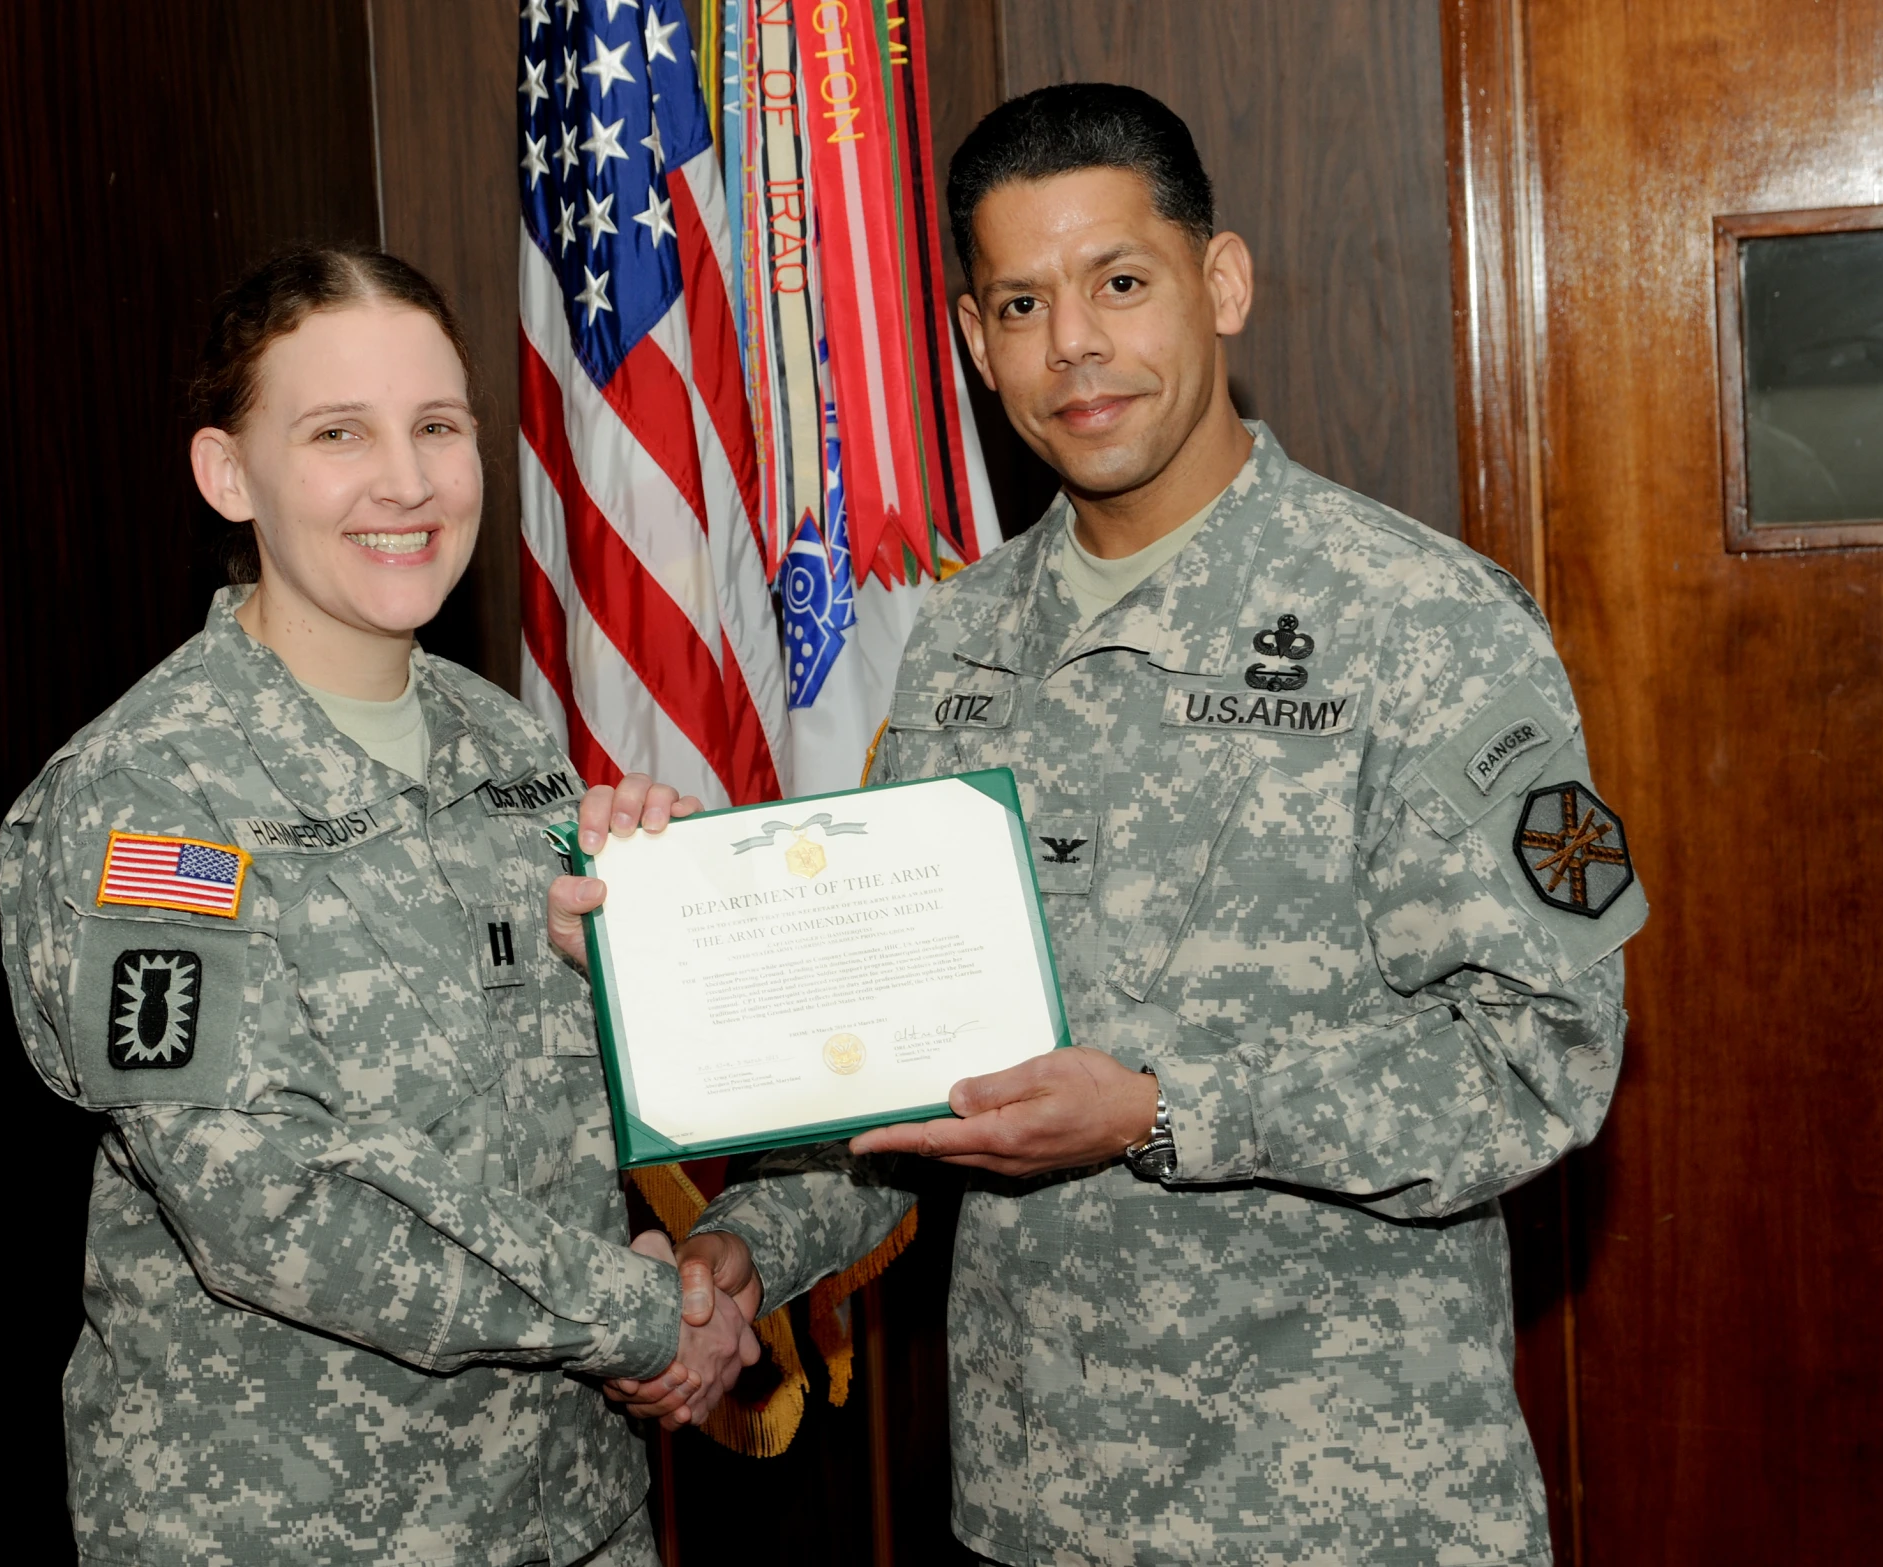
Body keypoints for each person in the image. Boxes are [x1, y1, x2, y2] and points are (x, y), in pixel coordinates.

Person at [654, 84, 1647, 1566]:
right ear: (972, 341)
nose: (1076, 346)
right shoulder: (961, 644)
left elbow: (1539, 1062)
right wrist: (746, 1249)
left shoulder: (1426, 623)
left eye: (1120, 282)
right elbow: (891, 1068)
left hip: (1351, 1513)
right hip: (1035, 1509)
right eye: (1020, 302)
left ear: (1219, 283)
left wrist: (1163, 1107)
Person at [0, 245, 757, 1567]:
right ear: (228, 475)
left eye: (437, 428)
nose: (404, 481)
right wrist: (635, 1313)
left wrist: (637, 967)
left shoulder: (505, 745)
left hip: (565, 1509)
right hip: (288, 1528)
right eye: (338, 433)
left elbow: (536, 1113)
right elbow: (265, 1206)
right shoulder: (146, 795)